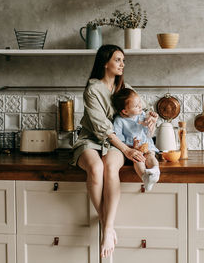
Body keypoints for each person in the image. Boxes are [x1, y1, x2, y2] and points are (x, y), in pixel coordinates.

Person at [71, 44, 157, 258]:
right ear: (105, 62)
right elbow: (103, 128)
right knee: (96, 167)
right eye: (118, 60)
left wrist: (150, 118)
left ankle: (106, 227)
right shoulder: (93, 89)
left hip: (115, 144)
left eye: (123, 61)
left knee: (110, 167)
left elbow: (143, 108)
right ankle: (107, 225)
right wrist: (126, 150)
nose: (122, 64)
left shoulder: (124, 86)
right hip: (92, 140)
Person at [112, 88, 160, 191]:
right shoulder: (119, 121)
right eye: (136, 106)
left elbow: (149, 133)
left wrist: (152, 122)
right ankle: (145, 177)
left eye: (140, 103)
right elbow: (119, 140)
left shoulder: (141, 115)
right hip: (133, 150)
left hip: (147, 146)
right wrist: (133, 146)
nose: (140, 107)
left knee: (151, 156)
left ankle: (155, 172)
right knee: (139, 161)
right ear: (125, 111)